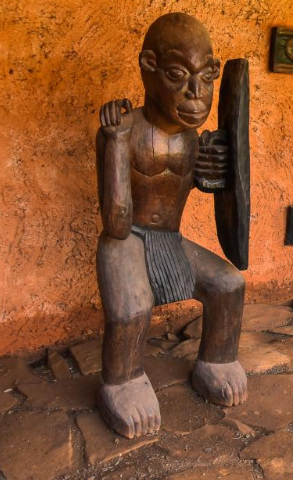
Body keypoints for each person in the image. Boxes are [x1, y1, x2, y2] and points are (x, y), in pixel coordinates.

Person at [95, 13, 247, 439]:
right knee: (131, 309)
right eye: (179, 76)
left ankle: (216, 360)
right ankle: (122, 381)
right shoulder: (124, 130)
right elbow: (117, 222)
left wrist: (217, 172)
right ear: (149, 68)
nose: (195, 94)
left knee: (228, 285)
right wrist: (115, 144)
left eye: (206, 77)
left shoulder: (192, 137)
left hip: (169, 241)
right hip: (123, 242)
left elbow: (205, 186)